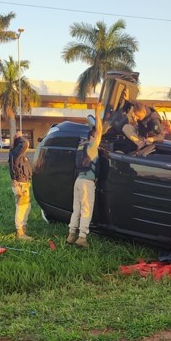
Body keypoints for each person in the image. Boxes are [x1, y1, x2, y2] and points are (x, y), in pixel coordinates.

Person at [66, 101, 105, 248]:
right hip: (87, 182)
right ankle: (82, 237)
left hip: (78, 181)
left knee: (76, 209)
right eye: (96, 137)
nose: (99, 139)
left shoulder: (81, 147)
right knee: (86, 209)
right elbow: (99, 129)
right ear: (92, 137)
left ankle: (71, 235)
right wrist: (97, 112)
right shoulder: (92, 146)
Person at [8, 134, 33, 240]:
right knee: (22, 208)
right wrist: (20, 137)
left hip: (24, 183)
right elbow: (24, 143)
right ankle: (20, 232)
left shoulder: (19, 154)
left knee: (27, 207)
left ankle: (23, 228)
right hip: (20, 184)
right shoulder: (17, 153)